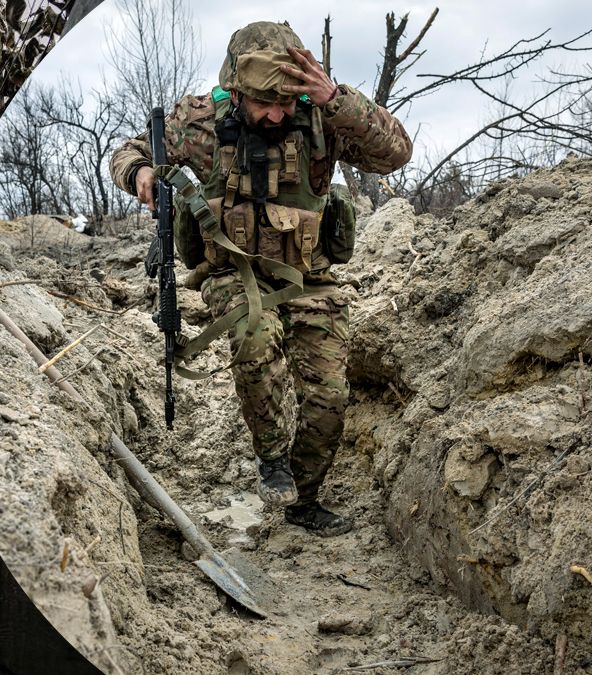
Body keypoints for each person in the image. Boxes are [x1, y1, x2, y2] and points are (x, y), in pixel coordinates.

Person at [110, 21, 412, 536]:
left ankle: (305, 496)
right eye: (264, 103)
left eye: (286, 102)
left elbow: (395, 152)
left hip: (309, 279)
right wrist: (138, 172)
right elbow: (127, 152)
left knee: (330, 395)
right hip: (233, 273)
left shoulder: (322, 116)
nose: (277, 114)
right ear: (238, 90)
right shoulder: (201, 123)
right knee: (256, 333)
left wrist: (337, 98)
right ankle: (271, 458)